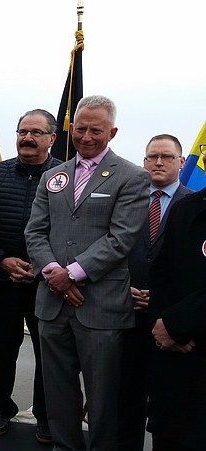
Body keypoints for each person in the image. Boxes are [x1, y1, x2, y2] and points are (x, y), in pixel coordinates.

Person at [25, 95, 150, 450]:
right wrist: (53, 274)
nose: (87, 136)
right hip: (52, 304)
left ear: (112, 132)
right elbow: (35, 232)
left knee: (102, 399)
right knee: (58, 394)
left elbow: (122, 238)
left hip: (101, 308)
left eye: (96, 130)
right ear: (71, 127)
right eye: (81, 128)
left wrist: (73, 274)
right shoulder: (54, 176)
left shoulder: (132, 177)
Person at [0, 109, 62, 444]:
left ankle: (45, 415)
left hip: (48, 285)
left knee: (49, 353)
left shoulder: (66, 177)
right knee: (1, 350)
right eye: (22, 131)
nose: (28, 138)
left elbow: (74, 230)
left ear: (52, 138)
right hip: (1, 281)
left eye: (36, 132)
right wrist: (1, 259)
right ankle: (1, 406)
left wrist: (46, 265)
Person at [119, 134, 190, 451]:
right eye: (152, 157)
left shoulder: (194, 207)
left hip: (169, 325)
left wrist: (165, 306)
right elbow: (110, 252)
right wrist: (124, 292)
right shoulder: (126, 201)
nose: (159, 162)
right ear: (144, 161)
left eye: (167, 156)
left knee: (168, 409)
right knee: (125, 402)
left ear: (181, 162)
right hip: (125, 318)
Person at [146, 164, 205, 451]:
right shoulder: (186, 208)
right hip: (173, 356)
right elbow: (161, 269)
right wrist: (161, 322)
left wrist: (175, 325)